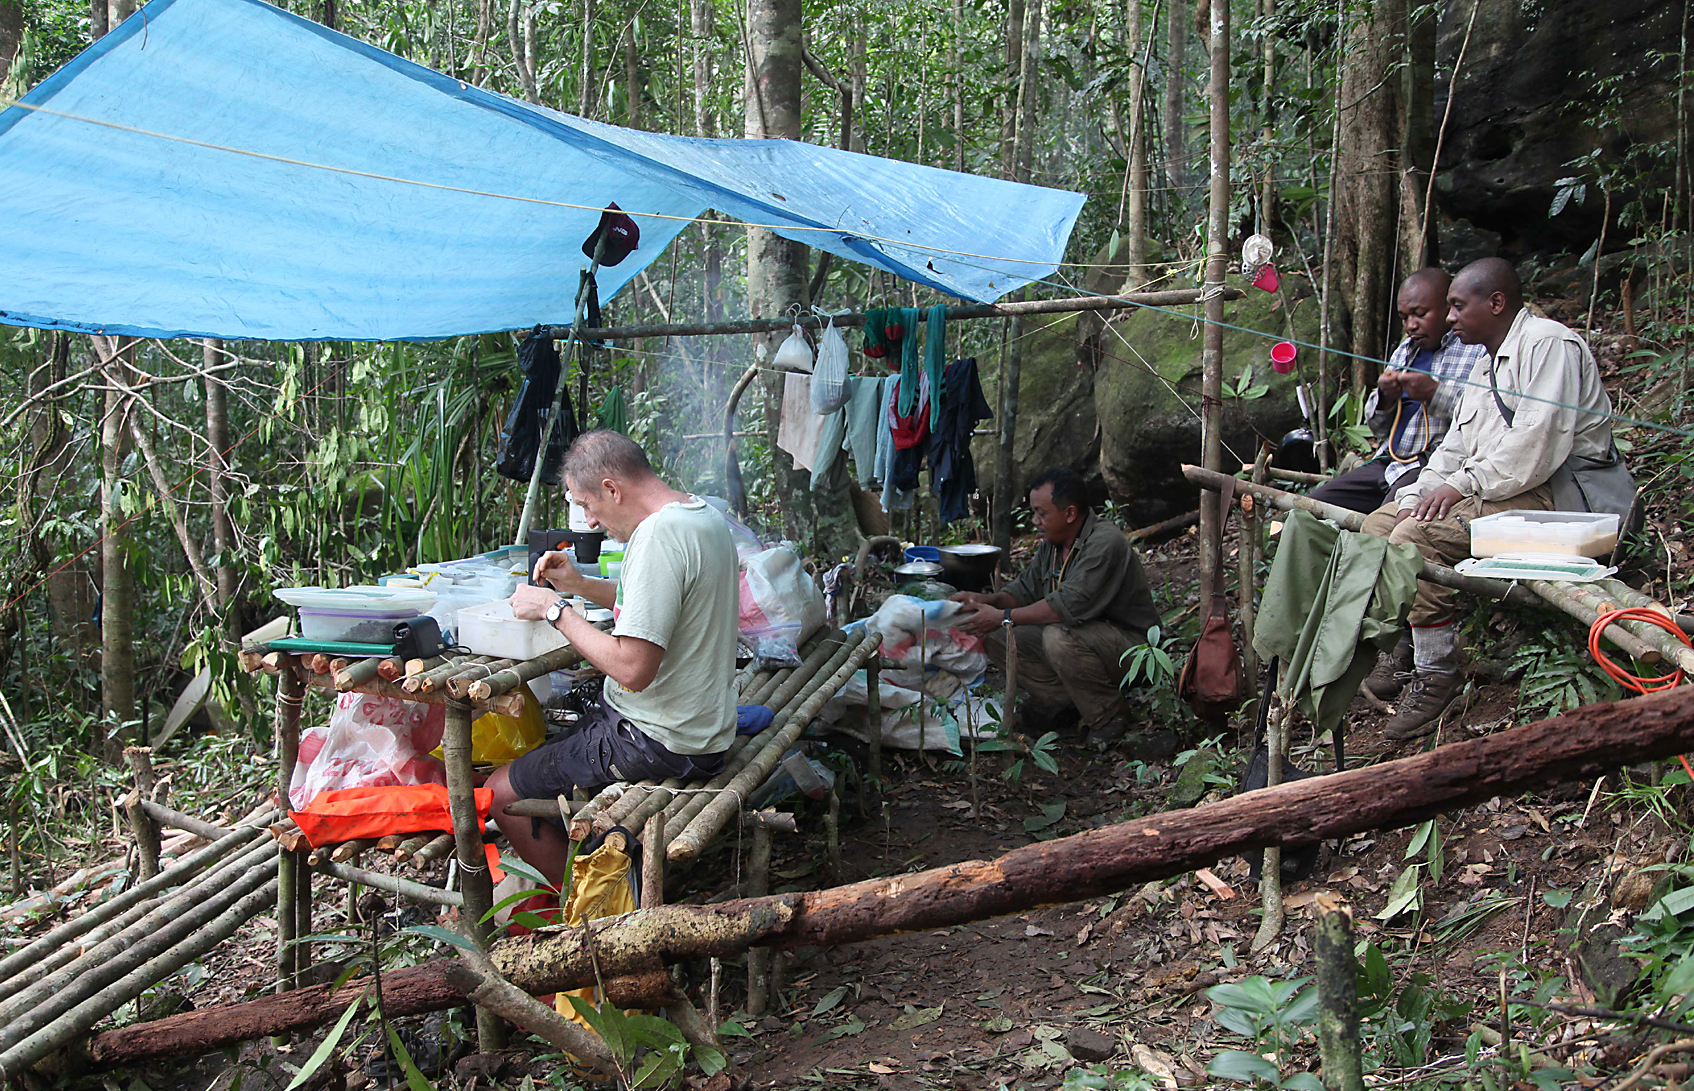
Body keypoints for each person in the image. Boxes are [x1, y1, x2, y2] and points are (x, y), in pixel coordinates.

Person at [1360, 257, 1624, 741]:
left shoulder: (1549, 345)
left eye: (1458, 306)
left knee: (1417, 537)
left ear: (1496, 302)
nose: (1451, 317)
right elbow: (1455, 447)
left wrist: (1459, 487)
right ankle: (1403, 646)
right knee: (1379, 525)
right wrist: (1417, 491)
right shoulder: (1484, 360)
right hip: (1504, 487)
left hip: (1558, 498)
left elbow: (1535, 445)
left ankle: (1437, 674)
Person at [489, 430, 739, 883]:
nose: (590, 520)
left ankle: (591, 916)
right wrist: (581, 587)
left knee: (499, 792)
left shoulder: (657, 537)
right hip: (699, 728)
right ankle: (599, 879)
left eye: (587, 505)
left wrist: (552, 609)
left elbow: (632, 668)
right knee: (547, 747)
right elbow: (655, 609)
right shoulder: (700, 515)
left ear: (612, 488)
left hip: (660, 740)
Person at [951, 467, 1162, 749]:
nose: (1035, 521)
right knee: (998, 637)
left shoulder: (1104, 543)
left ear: (1071, 513)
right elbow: (1023, 591)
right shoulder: (1053, 545)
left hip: (1133, 649)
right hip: (1084, 640)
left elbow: (1064, 607)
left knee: (1056, 637)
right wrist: (984, 601)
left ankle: (1108, 716)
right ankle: (1067, 703)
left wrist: (1002, 616)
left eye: (1042, 513)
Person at [1308, 268, 1489, 514]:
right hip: (1388, 461)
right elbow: (1378, 429)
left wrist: (1435, 392)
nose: (1411, 326)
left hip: (1431, 465)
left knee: (1387, 520)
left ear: (1449, 308)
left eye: (1420, 314)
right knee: (1313, 507)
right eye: (1404, 318)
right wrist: (1385, 398)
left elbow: (1482, 418)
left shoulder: (1475, 348)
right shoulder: (1406, 350)